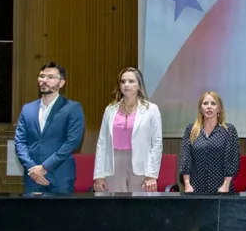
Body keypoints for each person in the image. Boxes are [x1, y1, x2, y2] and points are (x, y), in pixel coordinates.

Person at [14, 62, 85, 194]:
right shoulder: (27, 109)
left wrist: (45, 167)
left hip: (60, 176)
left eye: (50, 77)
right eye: (42, 76)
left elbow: (72, 142)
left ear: (62, 83)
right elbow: (20, 142)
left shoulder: (72, 108)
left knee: (60, 215)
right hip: (32, 177)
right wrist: (33, 169)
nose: (44, 80)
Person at [93, 67, 163, 192]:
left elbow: (156, 144)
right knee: (114, 207)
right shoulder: (110, 109)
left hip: (141, 165)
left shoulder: (151, 110)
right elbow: (102, 143)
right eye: (123, 81)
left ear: (139, 84)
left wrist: (152, 175)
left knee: (138, 208)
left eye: (131, 81)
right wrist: (98, 175)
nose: (126, 85)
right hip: (113, 164)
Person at [179, 91, 240, 193]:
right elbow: (186, 159)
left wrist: (225, 185)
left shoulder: (229, 130)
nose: (209, 107)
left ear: (219, 108)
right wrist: (187, 185)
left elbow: (232, 160)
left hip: (221, 188)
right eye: (205, 103)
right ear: (200, 109)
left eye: (213, 103)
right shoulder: (191, 130)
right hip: (195, 188)